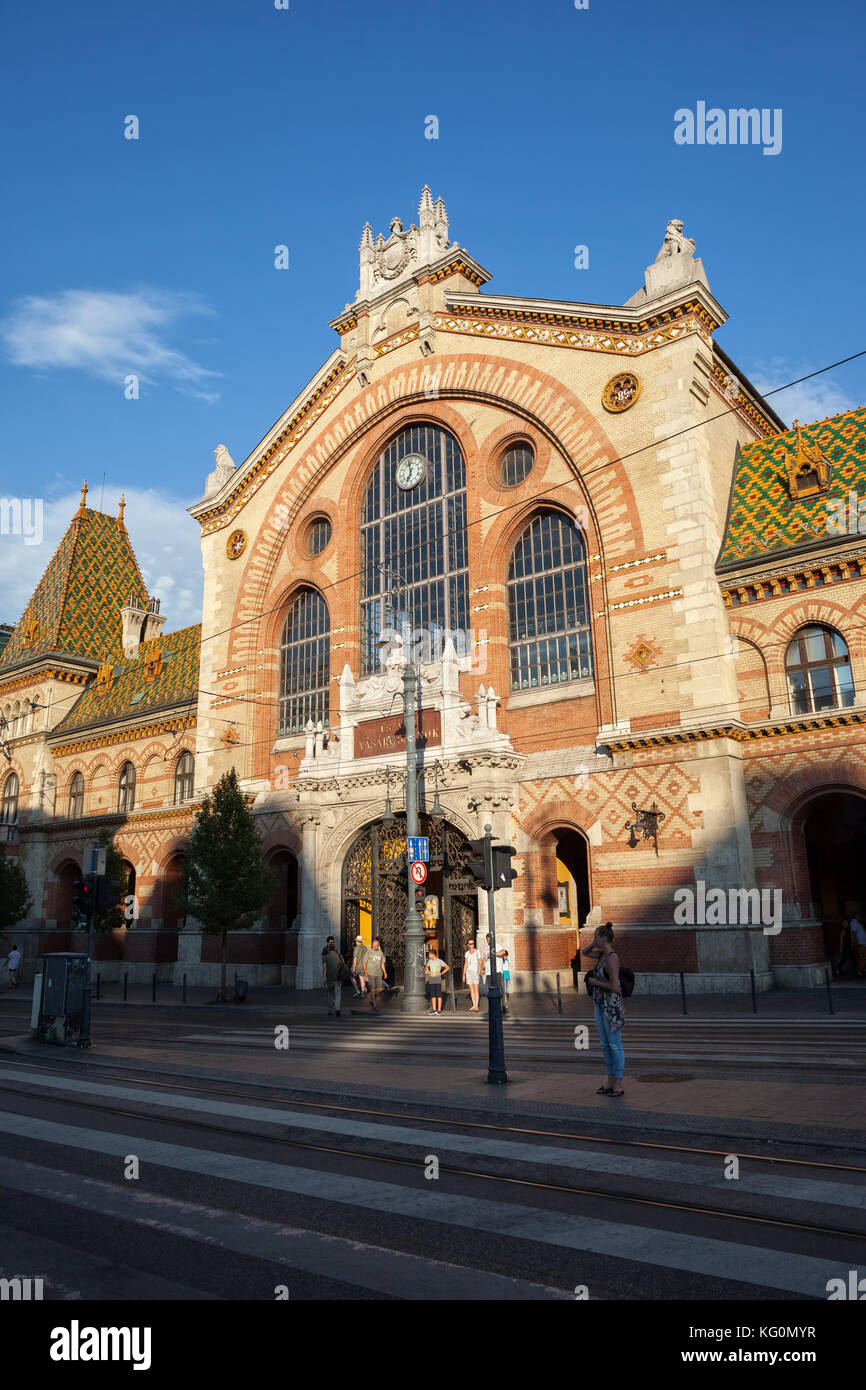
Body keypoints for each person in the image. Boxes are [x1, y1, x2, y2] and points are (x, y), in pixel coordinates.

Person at [583, 922, 625, 1097]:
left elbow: (615, 987)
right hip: (600, 1004)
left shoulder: (612, 958)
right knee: (605, 1045)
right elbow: (584, 952)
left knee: (615, 1045)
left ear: (605, 938)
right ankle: (609, 1081)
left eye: (596, 937)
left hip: (612, 1006)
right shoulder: (601, 955)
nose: (594, 940)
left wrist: (595, 983)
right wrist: (593, 944)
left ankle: (618, 1084)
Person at [482, 933, 508, 1011]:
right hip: (489, 972)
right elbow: (484, 959)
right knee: (489, 989)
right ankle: (493, 1006)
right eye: (487, 940)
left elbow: (504, 952)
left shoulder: (497, 946)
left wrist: (493, 954)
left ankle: (502, 1005)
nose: (488, 941)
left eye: (490, 939)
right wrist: (482, 969)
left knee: (499, 988)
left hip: (497, 971)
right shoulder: (486, 948)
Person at [322, 942, 346, 1016]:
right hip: (338, 978)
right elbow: (343, 965)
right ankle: (337, 1008)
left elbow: (324, 968)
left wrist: (324, 978)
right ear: (335, 949)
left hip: (329, 978)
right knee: (338, 994)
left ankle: (330, 1010)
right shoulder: (339, 956)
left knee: (330, 994)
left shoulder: (325, 957)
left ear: (328, 949)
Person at [364, 936, 388, 1009]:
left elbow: (382, 964)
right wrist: (365, 971)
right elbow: (364, 962)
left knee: (380, 988)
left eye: (376, 945)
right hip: (371, 973)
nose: (374, 946)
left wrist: (385, 972)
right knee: (372, 988)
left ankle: (373, 995)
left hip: (379, 973)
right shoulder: (368, 952)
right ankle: (374, 1004)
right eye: (373, 945)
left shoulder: (381, 953)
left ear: (378, 946)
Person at [425, 945, 449, 1014]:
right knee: (433, 994)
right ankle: (434, 1009)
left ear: (433, 954)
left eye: (429, 954)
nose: (428, 956)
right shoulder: (430, 961)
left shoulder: (439, 961)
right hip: (431, 979)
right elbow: (426, 967)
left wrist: (441, 973)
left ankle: (439, 1009)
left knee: (439, 994)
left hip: (437, 979)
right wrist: (428, 972)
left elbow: (447, 967)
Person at [463, 938, 482, 1011]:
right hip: (468, 972)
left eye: (473, 943)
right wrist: (463, 974)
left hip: (475, 972)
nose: (472, 945)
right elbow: (466, 964)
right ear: (468, 945)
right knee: (471, 990)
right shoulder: (467, 953)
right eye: (470, 944)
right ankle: (474, 1005)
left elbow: (480, 961)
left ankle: (476, 1006)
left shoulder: (477, 952)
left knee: (476, 989)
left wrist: (482, 970)